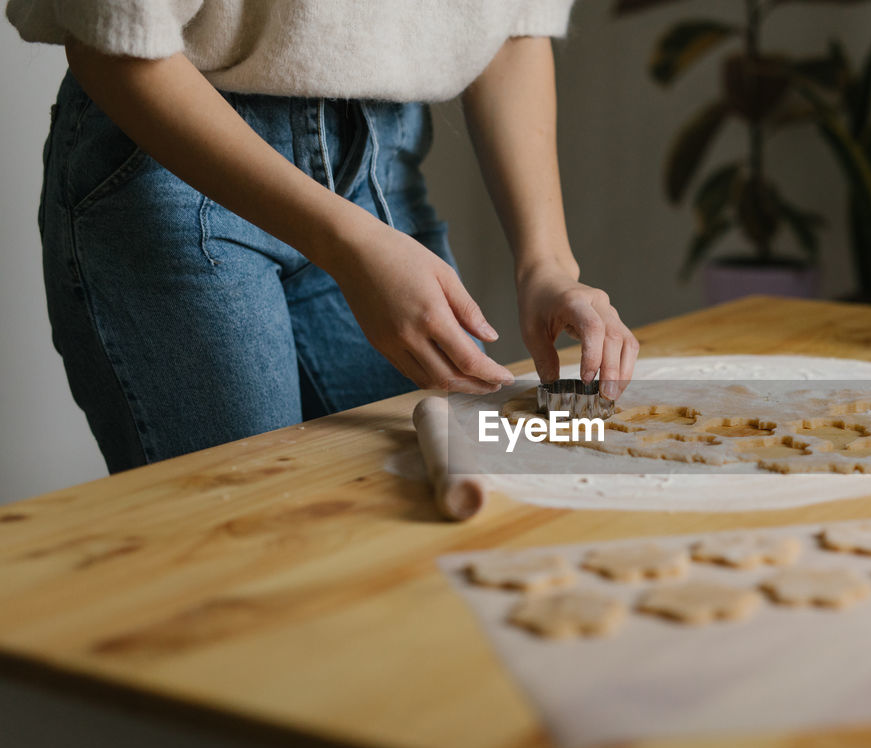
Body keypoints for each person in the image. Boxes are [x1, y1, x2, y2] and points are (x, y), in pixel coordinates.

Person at [6, 0, 639, 473]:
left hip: (384, 172)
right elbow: (112, 45)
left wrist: (548, 265)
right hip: (179, 166)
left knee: (428, 516)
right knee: (245, 556)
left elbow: (509, 24)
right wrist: (348, 245)